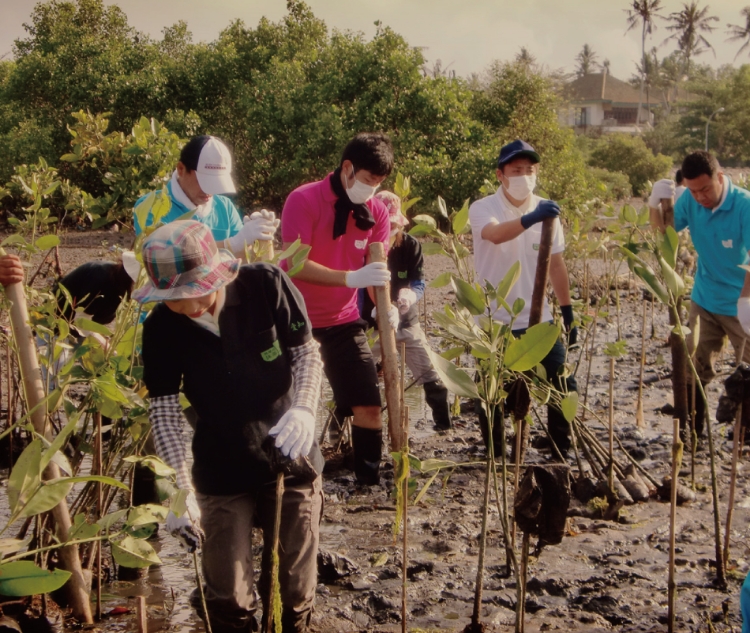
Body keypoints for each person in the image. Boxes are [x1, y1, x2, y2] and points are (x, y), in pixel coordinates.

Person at [137, 220, 324, 633]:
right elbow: (165, 410)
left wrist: (306, 409)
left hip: (289, 455)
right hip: (220, 465)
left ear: (216, 273)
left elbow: (306, 354)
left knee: (292, 589)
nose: (190, 306)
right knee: (228, 595)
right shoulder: (160, 330)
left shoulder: (265, 285)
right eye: (176, 299)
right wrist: (179, 490)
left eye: (196, 292)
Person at [280, 132, 394, 485]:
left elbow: (376, 275)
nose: (372, 189)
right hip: (292, 322)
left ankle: (367, 485)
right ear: (347, 168)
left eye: (379, 183)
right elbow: (293, 265)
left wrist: (387, 311)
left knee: (369, 407)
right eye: (367, 180)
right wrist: (350, 278)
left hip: (343, 323)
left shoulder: (376, 212)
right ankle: (291, 485)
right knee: (288, 413)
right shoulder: (304, 199)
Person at [468, 139, 578, 457]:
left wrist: (567, 310)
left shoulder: (547, 210)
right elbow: (494, 234)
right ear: (501, 174)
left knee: (563, 386)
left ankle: (560, 450)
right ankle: (496, 455)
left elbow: (556, 264)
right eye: (517, 170)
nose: (524, 176)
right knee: (493, 395)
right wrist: (531, 219)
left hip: (538, 320)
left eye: (530, 170)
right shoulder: (483, 208)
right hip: (494, 323)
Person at [649, 150, 750, 437]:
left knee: (748, 372)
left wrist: (745, 300)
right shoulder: (691, 203)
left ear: (720, 177)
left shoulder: (744, 205)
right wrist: (653, 206)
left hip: (742, 300)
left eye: (706, 188)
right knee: (694, 366)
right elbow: (663, 236)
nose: (701, 197)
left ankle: (744, 433)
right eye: (694, 191)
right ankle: (692, 432)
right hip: (705, 299)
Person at [360, 191, 452, 430]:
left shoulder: (410, 245)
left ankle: (444, 427)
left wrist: (409, 296)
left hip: (405, 322)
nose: (388, 228)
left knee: (432, 378)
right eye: (384, 223)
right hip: (370, 325)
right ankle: (341, 431)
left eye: (392, 224)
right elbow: (357, 285)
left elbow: (418, 281)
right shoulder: (363, 246)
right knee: (355, 379)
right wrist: (374, 310)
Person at [134, 135, 278, 256]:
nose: (209, 191)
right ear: (181, 169)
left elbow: (244, 260)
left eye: (216, 183)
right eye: (204, 182)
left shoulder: (225, 207)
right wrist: (230, 244)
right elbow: (162, 256)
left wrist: (261, 238)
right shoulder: (151, 205)